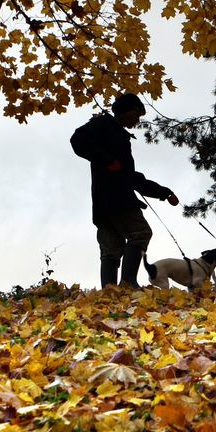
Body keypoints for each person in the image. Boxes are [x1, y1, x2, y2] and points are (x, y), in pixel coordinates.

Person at [70, 93, 179, 288]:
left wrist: (163, 192)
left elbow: (130, 176)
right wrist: (107, 160)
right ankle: (128, 283)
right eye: (137, 115)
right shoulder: (105, 124)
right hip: (118, 198)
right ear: (128, 110)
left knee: (111, 248)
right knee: (140, 233)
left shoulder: (116, 133)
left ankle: (109, 292)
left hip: (103, 202)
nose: (137, 120)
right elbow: (77, 139)